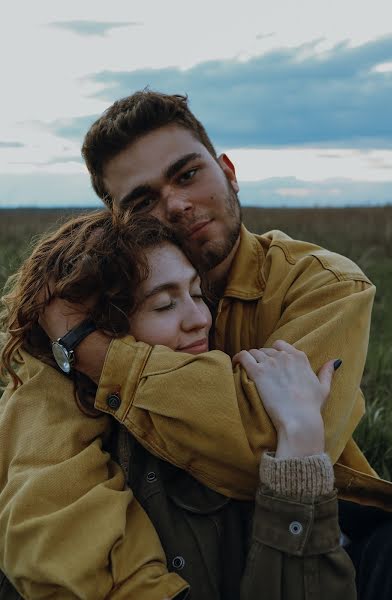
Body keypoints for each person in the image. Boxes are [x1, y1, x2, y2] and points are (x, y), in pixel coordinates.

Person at [0, 210, 355, 599]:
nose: (199, 319)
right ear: (100, 330)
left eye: (198, 295)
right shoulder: (62, 438)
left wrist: (301, 448)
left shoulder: (225, 417)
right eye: (166, 305)